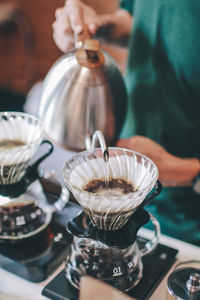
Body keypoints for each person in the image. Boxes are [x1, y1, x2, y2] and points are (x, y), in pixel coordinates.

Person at [52, 0, 200, 246]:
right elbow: (146, 22)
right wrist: (99, 26)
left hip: (189, 228)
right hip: (130, 195)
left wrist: (184, 172)